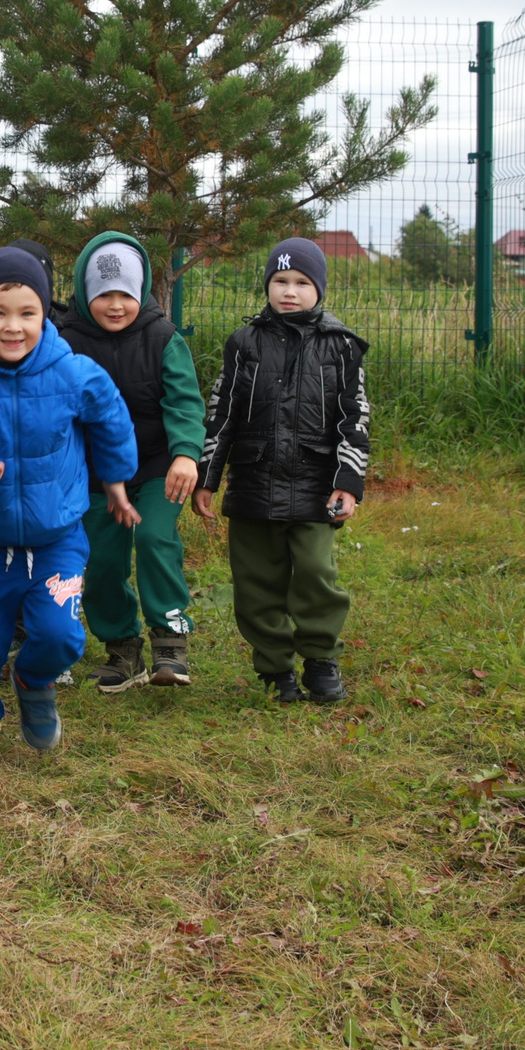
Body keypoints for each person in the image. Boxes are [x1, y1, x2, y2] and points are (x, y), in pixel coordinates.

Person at [0, 246, 137, 770]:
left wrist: (115, 481)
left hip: (58, 536)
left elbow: (110, 417)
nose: (13, 327)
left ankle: (34, 681)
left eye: (27, 313)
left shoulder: (72, 373)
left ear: (44, 314)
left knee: (61, 635)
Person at [191, 237, 370, 706]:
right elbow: (221, 413)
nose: (289, 291)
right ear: (268, 285)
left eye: (301, 282)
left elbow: (356, 417)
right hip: (253, 482)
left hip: (315, 486)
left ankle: (320, 660)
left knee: (315, 573)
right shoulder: (244, 343)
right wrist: (208, 476)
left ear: (320, 289)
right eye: (279, 281)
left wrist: (348, 482)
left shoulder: (342, 345)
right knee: (256, 582)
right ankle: (276, 669)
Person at [55, 234, 209, 692]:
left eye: (125, 293)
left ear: (140, 294)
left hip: (159, 466)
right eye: (104, 295)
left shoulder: (163, 337)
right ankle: (122, 648)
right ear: (86, 295)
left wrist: (186, 453)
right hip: (99, 474)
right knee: (101, 560)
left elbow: (185, 402)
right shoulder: (66, 343)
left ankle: (170, 642)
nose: (116, 305)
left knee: (155, 537)